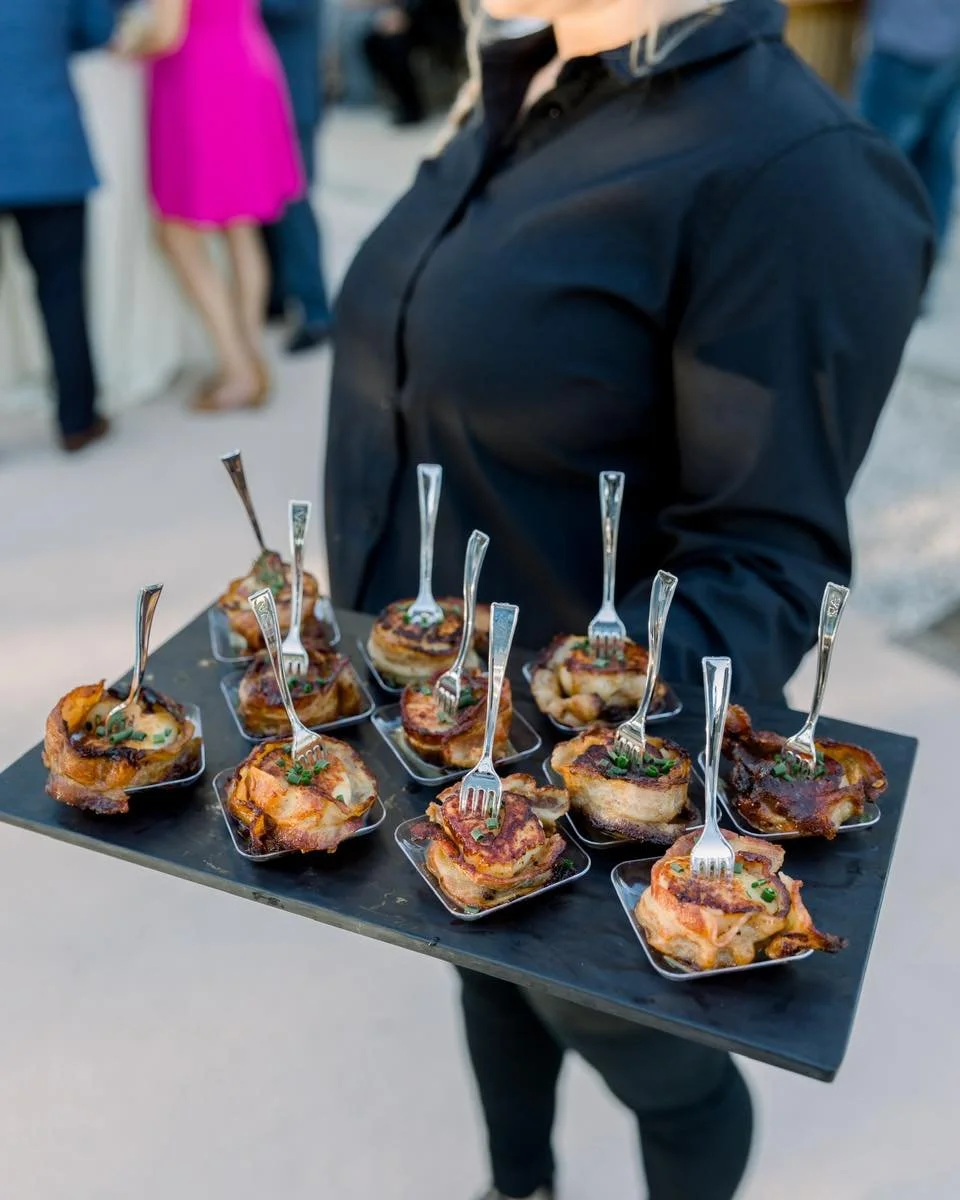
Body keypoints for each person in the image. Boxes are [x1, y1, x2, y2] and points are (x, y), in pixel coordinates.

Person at [324, 0, 934, 1196]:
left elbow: (765, 562)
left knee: (659, 1073)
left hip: (577, 789)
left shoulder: (794, 169)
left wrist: (580, 781)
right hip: (438, 735)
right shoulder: (528, 68)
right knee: (481, 964)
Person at [114, 0, 304, 411]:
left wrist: (125, 43)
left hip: (200, 82)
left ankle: (237, 368)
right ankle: (250, 357)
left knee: (176, 234)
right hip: (245, 63)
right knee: (241, 228)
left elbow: (166, 34)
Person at [0, 0, 114, 453]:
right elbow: (98, 30)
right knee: (63, 291)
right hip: (47, 148)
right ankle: (77, 420)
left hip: (45, 149)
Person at [858, 0, 960, 252]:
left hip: (910, 40)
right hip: (946, 43)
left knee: (874, 160)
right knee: (934, 155)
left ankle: (870, 250)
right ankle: (924, 254)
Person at [261, 0, 334, 354]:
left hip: (291, 100)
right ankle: (277, 296)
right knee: (267, 206)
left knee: (294, 207)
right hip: (262, 96)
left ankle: (316, 312)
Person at [363, 0, 464, 124]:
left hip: (435, 19)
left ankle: (412, 107)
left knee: (395, 44)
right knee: (371, 41)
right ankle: (400, 98)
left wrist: (406, 16)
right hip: (410, 18)